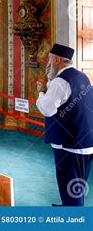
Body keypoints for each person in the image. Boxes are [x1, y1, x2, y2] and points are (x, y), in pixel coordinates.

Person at [36, 43, 93, 206]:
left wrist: (41, 92)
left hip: (70, 145)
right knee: (77, 185)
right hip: (85, 140)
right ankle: (69, 207)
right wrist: (50, 82)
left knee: (70, 186)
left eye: (49, 60)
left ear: (57, 60)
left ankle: (73, 220)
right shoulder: (81, 76)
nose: (47, 64)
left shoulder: (60, 82)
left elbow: (47, 109)